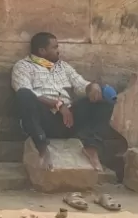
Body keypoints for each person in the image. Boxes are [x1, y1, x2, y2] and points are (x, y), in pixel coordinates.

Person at [10, 32, 116, 171]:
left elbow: (81, 84)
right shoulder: (23, 66)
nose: (58, 50)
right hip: (43, 120)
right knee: (24, 95)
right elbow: (25, 91)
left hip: (68, 120)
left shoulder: (63, 66)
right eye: (54, 47)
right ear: (42, 51)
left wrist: (93, 87)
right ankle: (42, 148)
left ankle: (92, 148)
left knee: (104, 100)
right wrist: (58, 104)